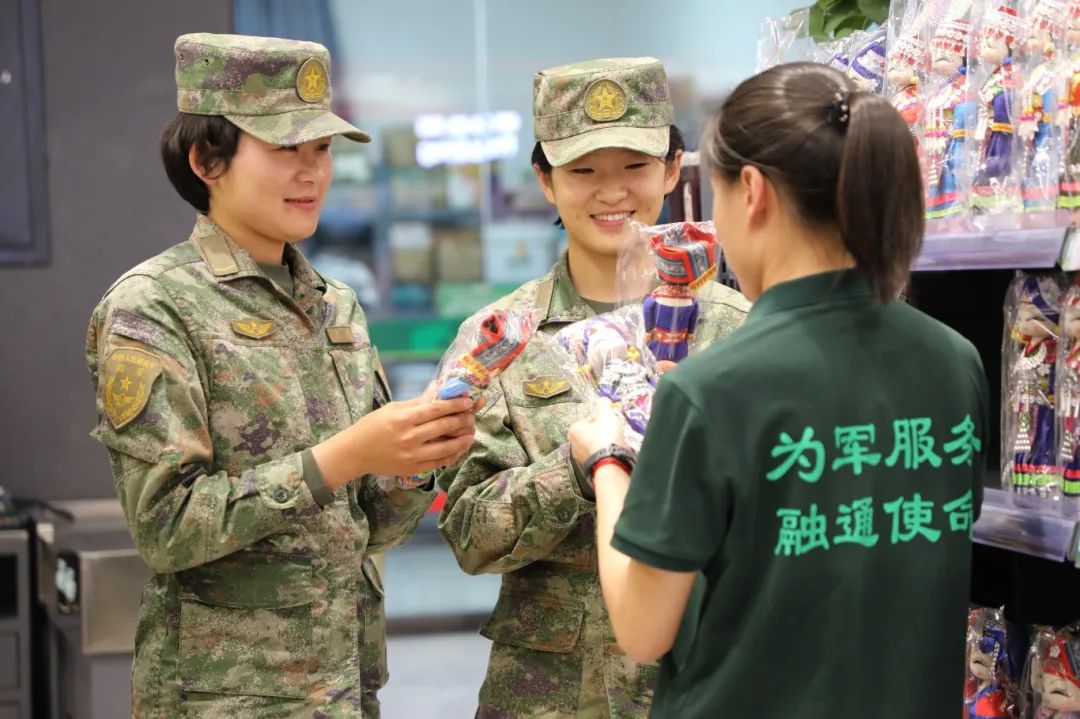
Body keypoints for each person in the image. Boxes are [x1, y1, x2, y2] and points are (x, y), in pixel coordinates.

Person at [569, 61, 989, 718]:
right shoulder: (954, 360)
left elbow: (643, 629)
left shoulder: (709, 390)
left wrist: (606, 463)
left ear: (753, 192)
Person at [85, 33, 479, 718]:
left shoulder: (335, 306)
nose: (312, 173)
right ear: (207, 159)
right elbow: (168, 525)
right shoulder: (152, 306)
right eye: (284, 150)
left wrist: (417, 458)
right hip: (222, 699)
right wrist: (344, 455)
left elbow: (370, 524)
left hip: (342, 688)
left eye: (321, 150)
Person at [436, 57, 750, 718]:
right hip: (556, 696)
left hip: (715, 679)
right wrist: (573, 471)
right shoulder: (502, 337)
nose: (612, 192)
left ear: (672, 168)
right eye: (583, 171)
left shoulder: (741, 328)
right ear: (545, 182)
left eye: (634, 166)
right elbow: (468, 532)